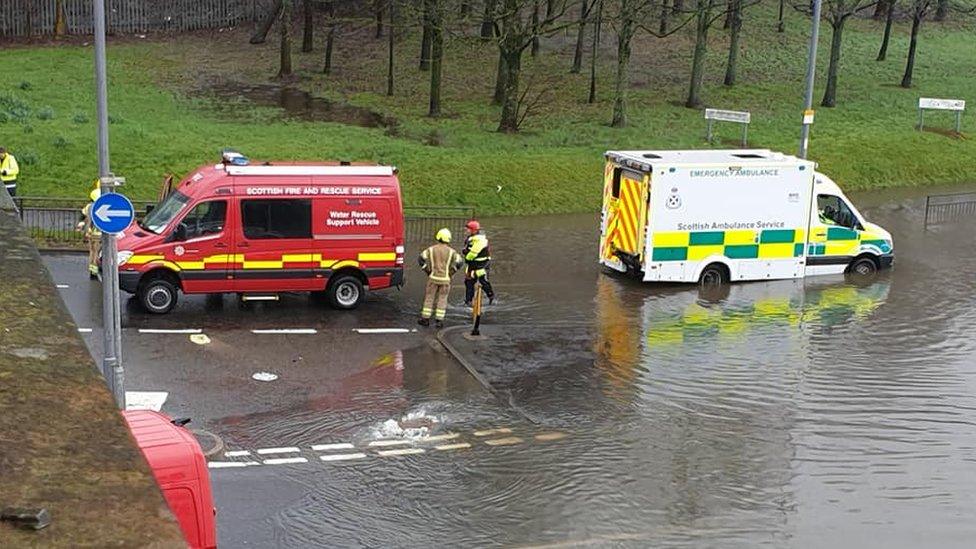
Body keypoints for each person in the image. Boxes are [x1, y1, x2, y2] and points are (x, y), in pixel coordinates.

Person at [418, 228, 463, 328]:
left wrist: (427, 270)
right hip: (445, 280)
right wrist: (452, 272)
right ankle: (439, 321)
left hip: (433, 278)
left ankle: (425, 319)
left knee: (429, 298)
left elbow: (421, 259)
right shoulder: (452, 252)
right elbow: (460, 262)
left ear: (438, 237)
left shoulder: (431, 249)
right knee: (442, 299)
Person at [463, 220, 495, 306]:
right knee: (468, 282)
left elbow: (473, 253)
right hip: (472, 264)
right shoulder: (470, 239)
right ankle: (468, 301)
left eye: (468, 229)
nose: (466, 230)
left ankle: (491, 296)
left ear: (474, 230)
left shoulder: (480, 240)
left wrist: (466, 258)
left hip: (482, 264)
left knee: (483, 281)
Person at [76, 189, 102, 279]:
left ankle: (92, 270)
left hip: (90, 233)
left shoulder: (89, 206)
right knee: (97, 252)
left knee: (92, 251)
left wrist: (81, 225)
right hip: (99, 234)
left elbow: (82, 216)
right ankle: (95, 271)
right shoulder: (102, 206)